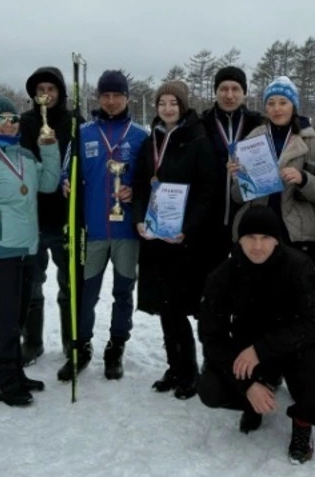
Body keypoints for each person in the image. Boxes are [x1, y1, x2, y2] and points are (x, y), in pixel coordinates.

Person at [198, 206, 315, 465]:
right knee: (210, 389)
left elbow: (314, 325)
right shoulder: (221, 276)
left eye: (265, 238)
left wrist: (262, 349)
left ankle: (302, 424)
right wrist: (246, 385)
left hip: (288, 348)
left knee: (314, 363)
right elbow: (211, 338)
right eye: (250, 238)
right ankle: (252, 402)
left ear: (277, 239)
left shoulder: (299, 266)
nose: (257, 246)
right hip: (246, 354)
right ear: (239, 239)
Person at [0, 95, 60, 407]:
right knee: (4, 318)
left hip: (27, 247)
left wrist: (49, 148)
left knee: (16, 316)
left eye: (13, 118)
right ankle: (2, 380)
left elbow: (48, 184)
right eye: (0, 118)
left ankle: (13, 369)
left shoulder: (25, 156)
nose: (9, 123)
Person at [57, 70, 148, 382]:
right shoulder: (83, 132)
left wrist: (136, 189)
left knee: (123, 292)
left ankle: (116, 346)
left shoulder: (139, 135)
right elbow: (65, 168)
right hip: (93, 230)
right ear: (98, 98)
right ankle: (81, 346)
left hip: (126, 232)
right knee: (86, 293)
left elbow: (150, 178)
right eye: (106, 95)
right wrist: (65, 179)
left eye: (117, 95)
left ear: (126, 97)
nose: (111, 101)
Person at [132, 80, 217, 400]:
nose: (167, 108)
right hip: (155, 237)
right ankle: (174, 366)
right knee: (164, 308)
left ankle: (190, 371)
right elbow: (140, 184)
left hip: (182, 240)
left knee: (180, 306)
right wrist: (139, 218)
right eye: (162, 103)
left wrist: (188, 228)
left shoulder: (197, 139)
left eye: (173, 103)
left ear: (183, 106)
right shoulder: (149, 140)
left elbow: (207, 192)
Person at [229, 76, 315, 269]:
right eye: (271, 103)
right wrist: (240, 178)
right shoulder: (252, 139)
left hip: (295, 232)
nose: (277, 108)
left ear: (294, 106)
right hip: (257, 228)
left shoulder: (312, 140)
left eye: (283, 102)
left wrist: (303, 179)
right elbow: (237, 198)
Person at [19, 66, 80, 365]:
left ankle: (71, 340)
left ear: (61, 92)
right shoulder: (25, 123)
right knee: (32, 281)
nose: (46, 94)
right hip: (33, 215)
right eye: (40, 89)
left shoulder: (74, 123)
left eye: (51, 89)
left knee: (69, 281)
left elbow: (86, 163)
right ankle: (32, 341)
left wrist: (75, 181)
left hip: (66, 214)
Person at [200, 66, 263, 270]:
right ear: (215, 92)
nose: (229, 95)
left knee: (246, 282)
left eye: (235, 89)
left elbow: (288, 126)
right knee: (210, 281)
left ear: (244, 92)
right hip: (210, 221)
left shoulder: (258, 124)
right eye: (223, 89)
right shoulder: (202, 125)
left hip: (247, 219)